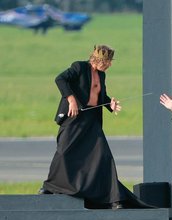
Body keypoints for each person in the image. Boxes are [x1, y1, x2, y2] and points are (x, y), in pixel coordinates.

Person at [39, 45, 149, 209]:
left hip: (92, 122)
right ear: (99, 60)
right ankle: (50, 187)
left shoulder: (102, 75)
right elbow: (60, 79)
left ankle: (113, 198)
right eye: (108, 62)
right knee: (64, 151)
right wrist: (71, 99)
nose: (110, 65)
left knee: (103, 157)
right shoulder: (79, 67)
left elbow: (101, 96)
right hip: (74, 118)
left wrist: (110, 104)